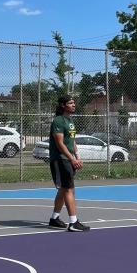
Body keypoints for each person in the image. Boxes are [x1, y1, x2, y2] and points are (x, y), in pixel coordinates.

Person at [47, 95, 90, 232]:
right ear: (63, 105)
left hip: (69, 159)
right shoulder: (58, 121)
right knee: (69, 189)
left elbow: (72, 141)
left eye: (74, 103)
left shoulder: (70, 121)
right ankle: (73, 222)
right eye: (70, 103)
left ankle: (54, 218)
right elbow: (59, 143)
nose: (73, 105)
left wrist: (77, 157)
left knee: (64, 189)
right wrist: (71, 159)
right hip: (60, 159)